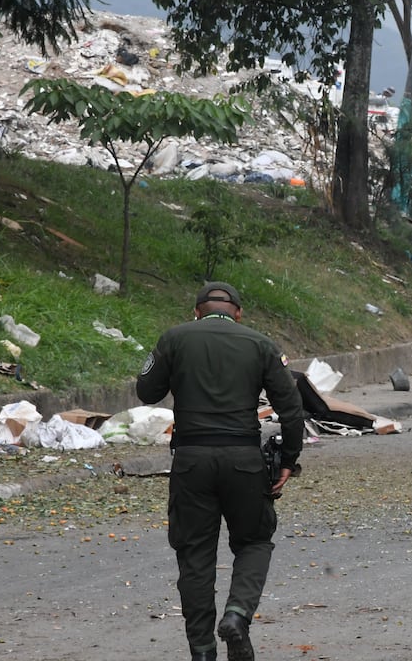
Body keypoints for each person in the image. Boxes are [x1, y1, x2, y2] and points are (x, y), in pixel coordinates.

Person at [137, 281, 308, 661]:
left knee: (195, 556)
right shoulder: (260, 344)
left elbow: (146, 393)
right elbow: (292, 408)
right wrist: (288, 460)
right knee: (255, 541)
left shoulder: (175, 338)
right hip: (244, 462)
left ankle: (201, 650)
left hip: (191, 461)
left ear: (196, 311)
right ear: (239, 313)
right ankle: (237, 614)